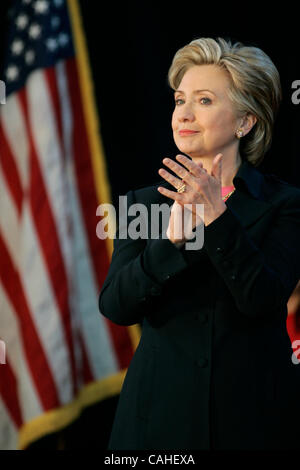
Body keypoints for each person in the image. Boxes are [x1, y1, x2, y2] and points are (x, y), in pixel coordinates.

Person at [99, 37, 300, 450]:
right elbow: (117, 305)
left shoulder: (285, 204)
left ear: (245, 122)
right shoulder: (142, 203)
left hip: (251, 422)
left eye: (204, 101)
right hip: (155, 423)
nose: (184, 115)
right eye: (179, 100)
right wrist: (169, 243)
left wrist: (218, 219)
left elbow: (261, 299)